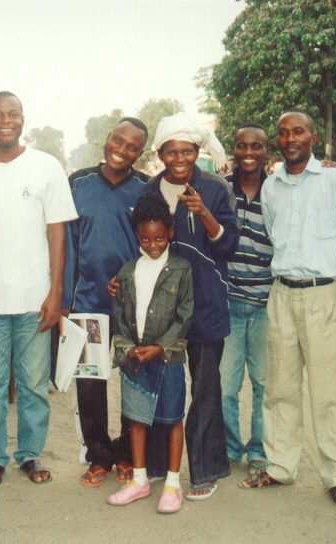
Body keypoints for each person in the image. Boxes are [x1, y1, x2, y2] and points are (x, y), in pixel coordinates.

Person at [0, 91, 77, 487]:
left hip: (34, 299)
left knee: (34, 387)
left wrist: (56, 292)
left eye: (13, 114)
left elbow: (57, 233)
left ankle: (29, 454)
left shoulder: (46, 166)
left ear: (23, 119)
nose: (5, 121)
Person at [248, 110, 336, 511]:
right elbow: (271, 233)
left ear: (313, 137)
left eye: (297, 131)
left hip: (322, 298)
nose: (289, 138)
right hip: (280, 295)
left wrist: (323, 275)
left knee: (329, 391)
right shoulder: (271, 187)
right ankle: (281, 467)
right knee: (279, 388)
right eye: (282, 133)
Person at [140, 112, 239, 500]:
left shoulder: (213, 188)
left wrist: (203, 212)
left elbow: (228, 243)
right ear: (161, 153)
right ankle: (158, 465)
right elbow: (142, 243)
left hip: (206, 303)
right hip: (162, 306)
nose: (179, 159)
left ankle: (204, 467)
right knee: (162, 385)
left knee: (206, 388)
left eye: (187, 151)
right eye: (171, 152)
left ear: (197, 152)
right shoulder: (149, 190)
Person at [64, 117, 150, 487]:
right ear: (107, 139)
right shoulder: (77, 183)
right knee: (90, 382)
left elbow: (155, 242)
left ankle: (128, 454)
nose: (122, 149)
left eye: (132, 146)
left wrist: (131, 277)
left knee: (134, 379)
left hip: (133, 306)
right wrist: (65, 299)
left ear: (140, 153)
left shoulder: (147, 189)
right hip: (87, 301)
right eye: (118, 140)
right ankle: (99, 455)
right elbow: (66, 244)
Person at [106, 192, 193, 514]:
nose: (153, 244)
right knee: (137, 420)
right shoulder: (127, 271)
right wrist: (130, 349)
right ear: (137, 235)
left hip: (167, 358)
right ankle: (140, 480)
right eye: (145, 238)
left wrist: (161, 346)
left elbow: (185, 315)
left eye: (159, 237)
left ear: (170, 231)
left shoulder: (181, 269)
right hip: (136, 360)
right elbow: (120, 315)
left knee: (172, 420)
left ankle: (172, 483)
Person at [218, 124, 274, 486]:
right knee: (224, 385)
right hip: (230, 303)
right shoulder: (219, 189)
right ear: (233, 150)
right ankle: (227, 448)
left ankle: (259, 452)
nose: (248, 152)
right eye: (241, 146)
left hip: (270, 304)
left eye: (256, 146)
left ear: (267, 152)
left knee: (265, 385)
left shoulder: (281, 189)